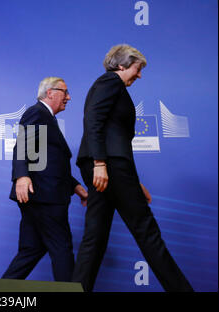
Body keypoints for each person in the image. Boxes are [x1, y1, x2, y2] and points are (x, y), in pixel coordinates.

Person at [73, 44, 193, 292]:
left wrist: (133, 182)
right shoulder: (111, 82)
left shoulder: (108, 85)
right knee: (147, 232)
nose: (139, 75)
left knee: (94, 238)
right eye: (137, 69)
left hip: (109, 168)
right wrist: (100, 163)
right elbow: (93, 119)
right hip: (108, 166)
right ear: (121, 65)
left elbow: (109, 131)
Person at [2, 77, 88, 282]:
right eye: (64, 92)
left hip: (40, 196)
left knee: (31, 250)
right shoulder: (37, 112)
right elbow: (23, 144)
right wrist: (22, 176)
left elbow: (50, 163)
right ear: (50, 93)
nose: (69, 97)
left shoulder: (48, 118)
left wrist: (76, 187)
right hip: (45, 197)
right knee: (61, 248)